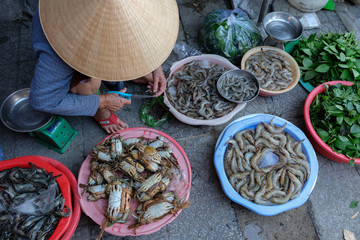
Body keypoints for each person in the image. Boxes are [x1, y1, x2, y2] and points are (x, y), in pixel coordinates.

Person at [29, 0, 179, 134]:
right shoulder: (59, 50)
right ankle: (97, 111)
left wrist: (156, 67)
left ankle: (131, 74)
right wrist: (102, 102)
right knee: (88, 83)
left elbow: (149, 33)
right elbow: (42, 101)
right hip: (70, 48)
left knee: (139, 55)